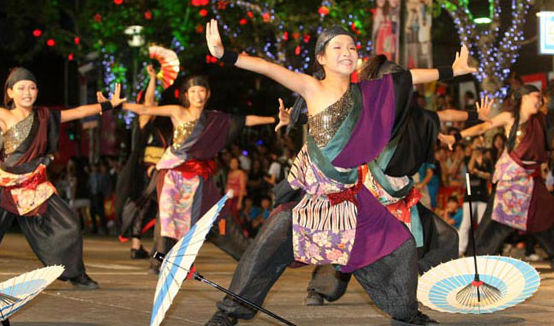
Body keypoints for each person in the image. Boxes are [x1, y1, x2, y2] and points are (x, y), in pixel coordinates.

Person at [204, 19, 475, 326]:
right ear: (321, 57)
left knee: (400, 245)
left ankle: (406, 315)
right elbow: (269, 67)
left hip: (351, 201)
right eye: (337, 47)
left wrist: (454, 71)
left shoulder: (367, 94)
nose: (347, 52)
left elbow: (408, 78)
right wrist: (225, 55)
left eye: (351, 47)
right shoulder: (311, 87)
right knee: (263, 252)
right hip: (311, 201)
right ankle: (227, 314)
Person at [300, 53, 489, 306]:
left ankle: (432, 285)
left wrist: (475, 115)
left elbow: (444, 115)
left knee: (445, 237)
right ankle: (320, 289)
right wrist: (297, 115)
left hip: (399, 194)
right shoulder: (361, 109)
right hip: (366, 193)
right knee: (348, 244)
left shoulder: (413, 114)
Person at [0, 67, 125, 290]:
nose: (28, 92)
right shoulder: (4, 115)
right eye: (22, 88)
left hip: (35, 184)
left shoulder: (44, 116)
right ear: (10, 92)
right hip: (7, 184)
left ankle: (76, 274)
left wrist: (108, 104)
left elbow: (78, 112)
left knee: (70, 226)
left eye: (32, 88)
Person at [122, 74, 275, 269]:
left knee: (210, 219)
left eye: (201, 91)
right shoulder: (177, 111)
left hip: (198, 177)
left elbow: (244, 121)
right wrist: (119, 105)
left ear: (208, 94)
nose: (198, 95)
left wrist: (275, 118)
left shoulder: (213, 119)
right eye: (193, 91)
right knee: (168, 218)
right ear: (186, 95)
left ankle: (249, 256)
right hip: (172, 175)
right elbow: (146, 109)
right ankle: (162, 261)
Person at [440, 84, 554, 266]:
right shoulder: (510, 117)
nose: (539, 101)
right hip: (510, 184)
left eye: (540, 98)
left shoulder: (542, 121)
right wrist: (456, 137)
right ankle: (474, 265)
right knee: (493, 227)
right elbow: (482, 128)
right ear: (524, 97)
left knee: (547, 220)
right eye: (536, 96)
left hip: (532, 183)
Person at [115, 64, 167, 259]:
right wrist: (152, 78)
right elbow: (148, 101)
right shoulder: (143, 121)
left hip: (155, 171)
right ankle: (158, 248)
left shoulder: (154, 127)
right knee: (157, 206)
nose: (153, 107)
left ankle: (138, 246)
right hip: (147, 171)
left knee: (146, 207)